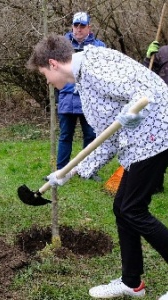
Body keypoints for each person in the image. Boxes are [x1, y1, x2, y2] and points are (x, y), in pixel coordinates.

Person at [27, 34, 168, 299]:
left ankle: (132, 281)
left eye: (44, 73)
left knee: (132, 209)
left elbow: (145, 92)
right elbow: (108, 138)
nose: (46, 80)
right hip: (139, 144)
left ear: (53, 64)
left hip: (156, 136)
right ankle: (132, 282)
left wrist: (137, 112)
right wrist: (68, 171)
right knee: (123, 208)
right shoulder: (84, 80)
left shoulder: (95, 66)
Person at [56, 12, 105, 181]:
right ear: (72, 26)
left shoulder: (99, 47)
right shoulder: (62, 46)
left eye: (82, 26)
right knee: (65, 136)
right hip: (66, 99)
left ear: (89, 28)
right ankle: (61, 171)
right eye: (76, 25)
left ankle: (88, 170)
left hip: (88, 101)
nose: (78, 29)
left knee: (91, 136)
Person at [143, 41, 168, 193]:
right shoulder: (163, 52)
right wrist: (148, 58)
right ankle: (156, 183)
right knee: (157, 146)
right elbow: (146, 75)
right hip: (161, 108)